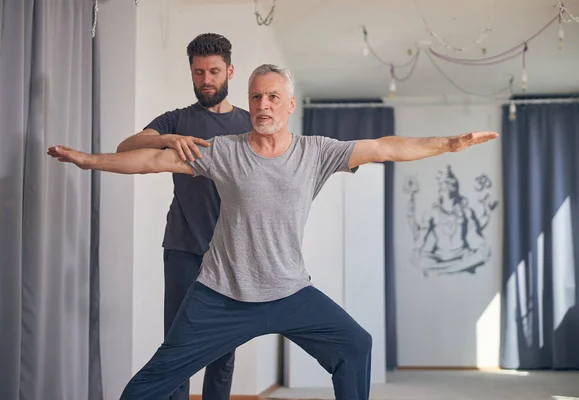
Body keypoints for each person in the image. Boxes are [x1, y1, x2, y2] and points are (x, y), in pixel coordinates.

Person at [48, 64, 498, 400]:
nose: (263, 105)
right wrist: (91, 160)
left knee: (355, 345)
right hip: (222, 294)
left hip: (288, 292)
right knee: (155, 379)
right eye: (257, 97)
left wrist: (448, 144)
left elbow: (384, 148)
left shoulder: (316, 152)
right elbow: (151, 161)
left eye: (272, 98)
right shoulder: (224, 151)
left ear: (289, 105)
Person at [115, 33, 251, 400]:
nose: (206, 80)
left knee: (223, 352)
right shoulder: (175, 120)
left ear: (230, 71)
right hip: (183, 247)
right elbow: (125, 147)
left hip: (233, 255)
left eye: (213, 72)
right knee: (178, 347)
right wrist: (167, 139)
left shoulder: (251, 125)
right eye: (198, 72)